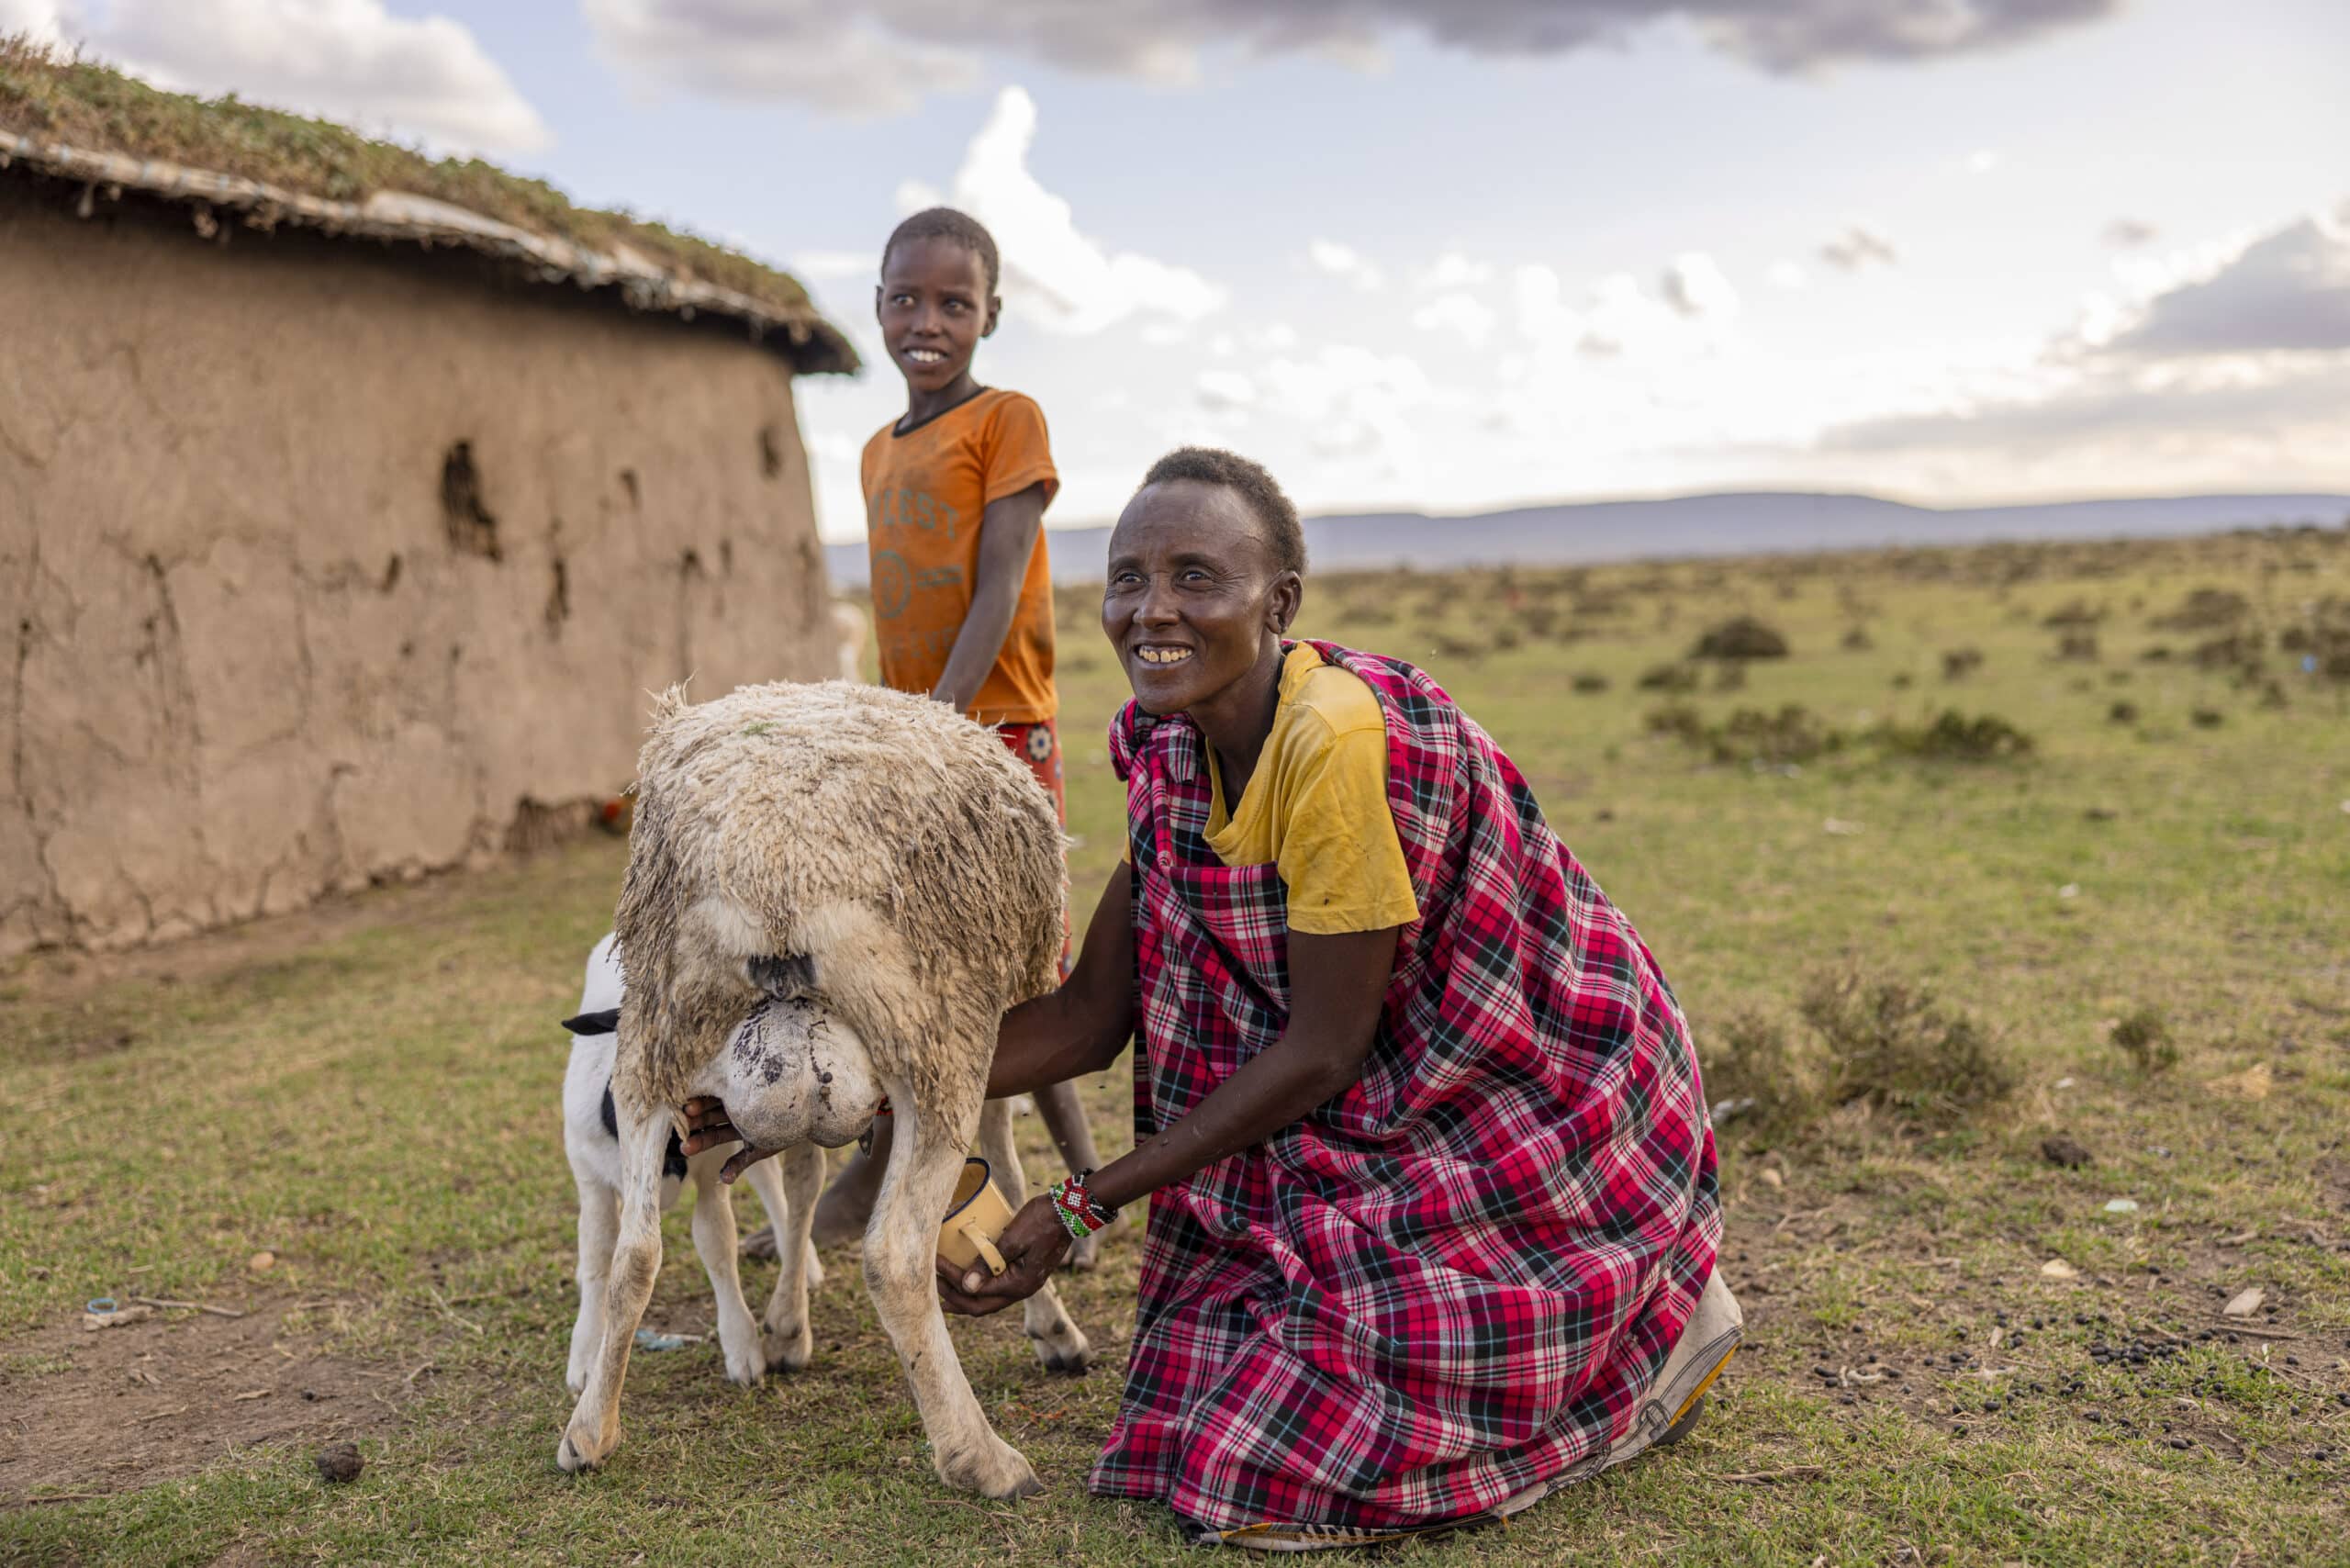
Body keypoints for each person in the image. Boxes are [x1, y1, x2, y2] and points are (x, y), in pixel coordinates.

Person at [691, 446, 1740, 1548]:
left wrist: (1087, 1201)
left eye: (1197, 577)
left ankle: (1655, 1337)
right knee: (1197, 1412)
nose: (1152, 610)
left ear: (1279, 601)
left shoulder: (1331, 745)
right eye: (1128, 577)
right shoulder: (1169, 744)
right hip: (1370, 1106)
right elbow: (1087, 1018)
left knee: (1270, 1473)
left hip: (1525, 1103)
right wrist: (838, 1089)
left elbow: (1325, 1049)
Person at [792, 206, 1105, 1256]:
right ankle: (916, 1154)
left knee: (1031, 967)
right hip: (914, 738)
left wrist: (937, 727)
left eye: (953, 303)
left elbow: (996, 583)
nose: (927, 321)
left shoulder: (1006, 420)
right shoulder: (881, 449)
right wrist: (895, 727)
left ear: (991, 315)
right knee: (920, 960)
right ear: (877, 305)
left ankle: (1083, 1186)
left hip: (999, 732)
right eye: (905, 298)